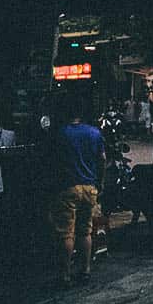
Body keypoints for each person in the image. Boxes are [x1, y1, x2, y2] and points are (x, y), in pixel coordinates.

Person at [48, 97, 105, 287]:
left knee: (66, 234)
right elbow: (102, 159)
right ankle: (85, 270)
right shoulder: (94, 133)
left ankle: (65, 275)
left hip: (68, 188)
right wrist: (99, 182)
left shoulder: (61, 133)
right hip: (90, 188)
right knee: (85, 231)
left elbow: (53, 161)